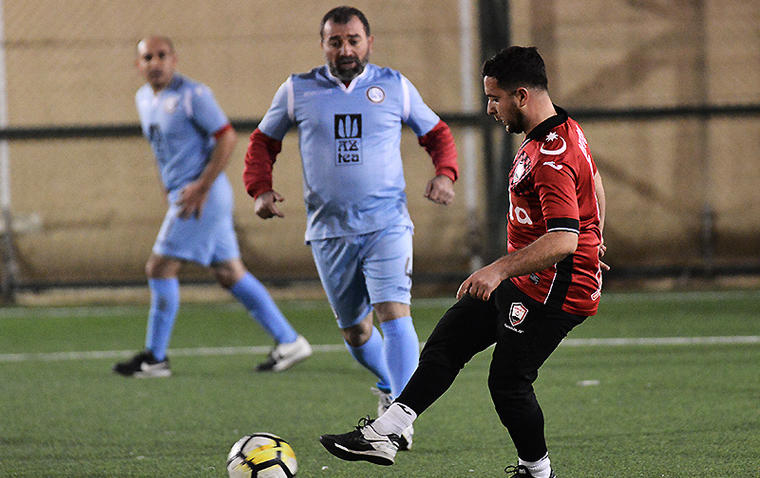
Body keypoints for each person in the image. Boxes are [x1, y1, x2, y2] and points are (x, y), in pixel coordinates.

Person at [319, 46, 608, 478]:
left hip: (556, 289)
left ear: (522, 96)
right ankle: (385, 433)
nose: (490, 108)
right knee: (447, 343)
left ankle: (538, 471)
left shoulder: (550, 157)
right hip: (529, 276)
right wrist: (598, 234)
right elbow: (594, 180)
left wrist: (497, 269)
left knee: (508, 383)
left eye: (495, 98)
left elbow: (563, 239)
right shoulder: (561, 126)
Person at [243, 6, 458, 448]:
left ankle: (396, 421)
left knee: (394, 313)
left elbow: (436, 133)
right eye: (335, 41)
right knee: (356, 332)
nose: (345, 49)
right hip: (329, 231)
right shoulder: (297, 90)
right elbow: (263, 142)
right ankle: (388, 384)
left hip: (387, 223)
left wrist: (445, 173)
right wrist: (260, 189)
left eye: (353, 40)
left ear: (369, 43)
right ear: (323, 44)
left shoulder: (394, 86)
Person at [113, 35, 311, 378]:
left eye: (162, 55)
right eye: (148, 57)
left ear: (174, 59)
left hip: (204, 196)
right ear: (138, 65)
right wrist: (168, 188)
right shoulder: (144, 98)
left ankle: (155, 358)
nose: (155, 63)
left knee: (158, 268)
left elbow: (227, 136)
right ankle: (289, 341)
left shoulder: (193, 95)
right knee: (229, 272)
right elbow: (163, 151)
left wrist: (201, 186)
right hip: (184, 194)